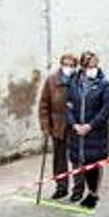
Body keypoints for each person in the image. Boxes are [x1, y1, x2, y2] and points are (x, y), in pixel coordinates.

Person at [65, 51, 109, 208]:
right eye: (89, 65)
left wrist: (90, 125)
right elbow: (68, 106)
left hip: (95, 133)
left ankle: (94, 194)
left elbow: (107, 107)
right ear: (83, 66)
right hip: (78, 133)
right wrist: (74, 125)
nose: (92, 68)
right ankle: (87, 192)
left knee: (94, 164)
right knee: (83, 162)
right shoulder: (73, 83)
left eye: (95, 64)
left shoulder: (103, 84)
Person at [39, 53, 78, 198]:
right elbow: (44, 105)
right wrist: (45, 125)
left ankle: (78, 190)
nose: (68, 68)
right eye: (65, 64)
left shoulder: (79, 79)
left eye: (72, 65)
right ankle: (61, 187)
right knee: (59, 158)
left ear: (75, 66)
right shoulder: (51, 80)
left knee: (76, 158)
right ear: (61, 64)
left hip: (75, 125)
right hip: (58, 125)